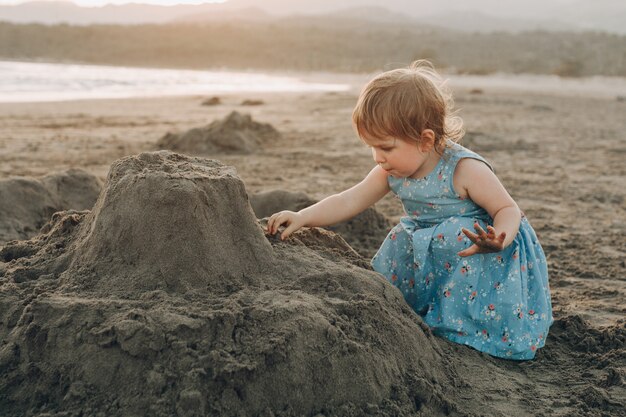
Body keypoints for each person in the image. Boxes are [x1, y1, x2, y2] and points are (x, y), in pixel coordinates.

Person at [266, 60, 553, 360]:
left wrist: (499, 237)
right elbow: (348, 199)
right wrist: (303, 217)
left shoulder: (464, 169)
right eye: (372, 148)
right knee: (401, 240)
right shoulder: (392, 171)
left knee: (455, 237)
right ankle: (425, 306)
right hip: (431, 244)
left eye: (386, 148)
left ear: (425, 140)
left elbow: (508, 209)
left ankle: (461, 321)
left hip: (482, 247)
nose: (378, 157)